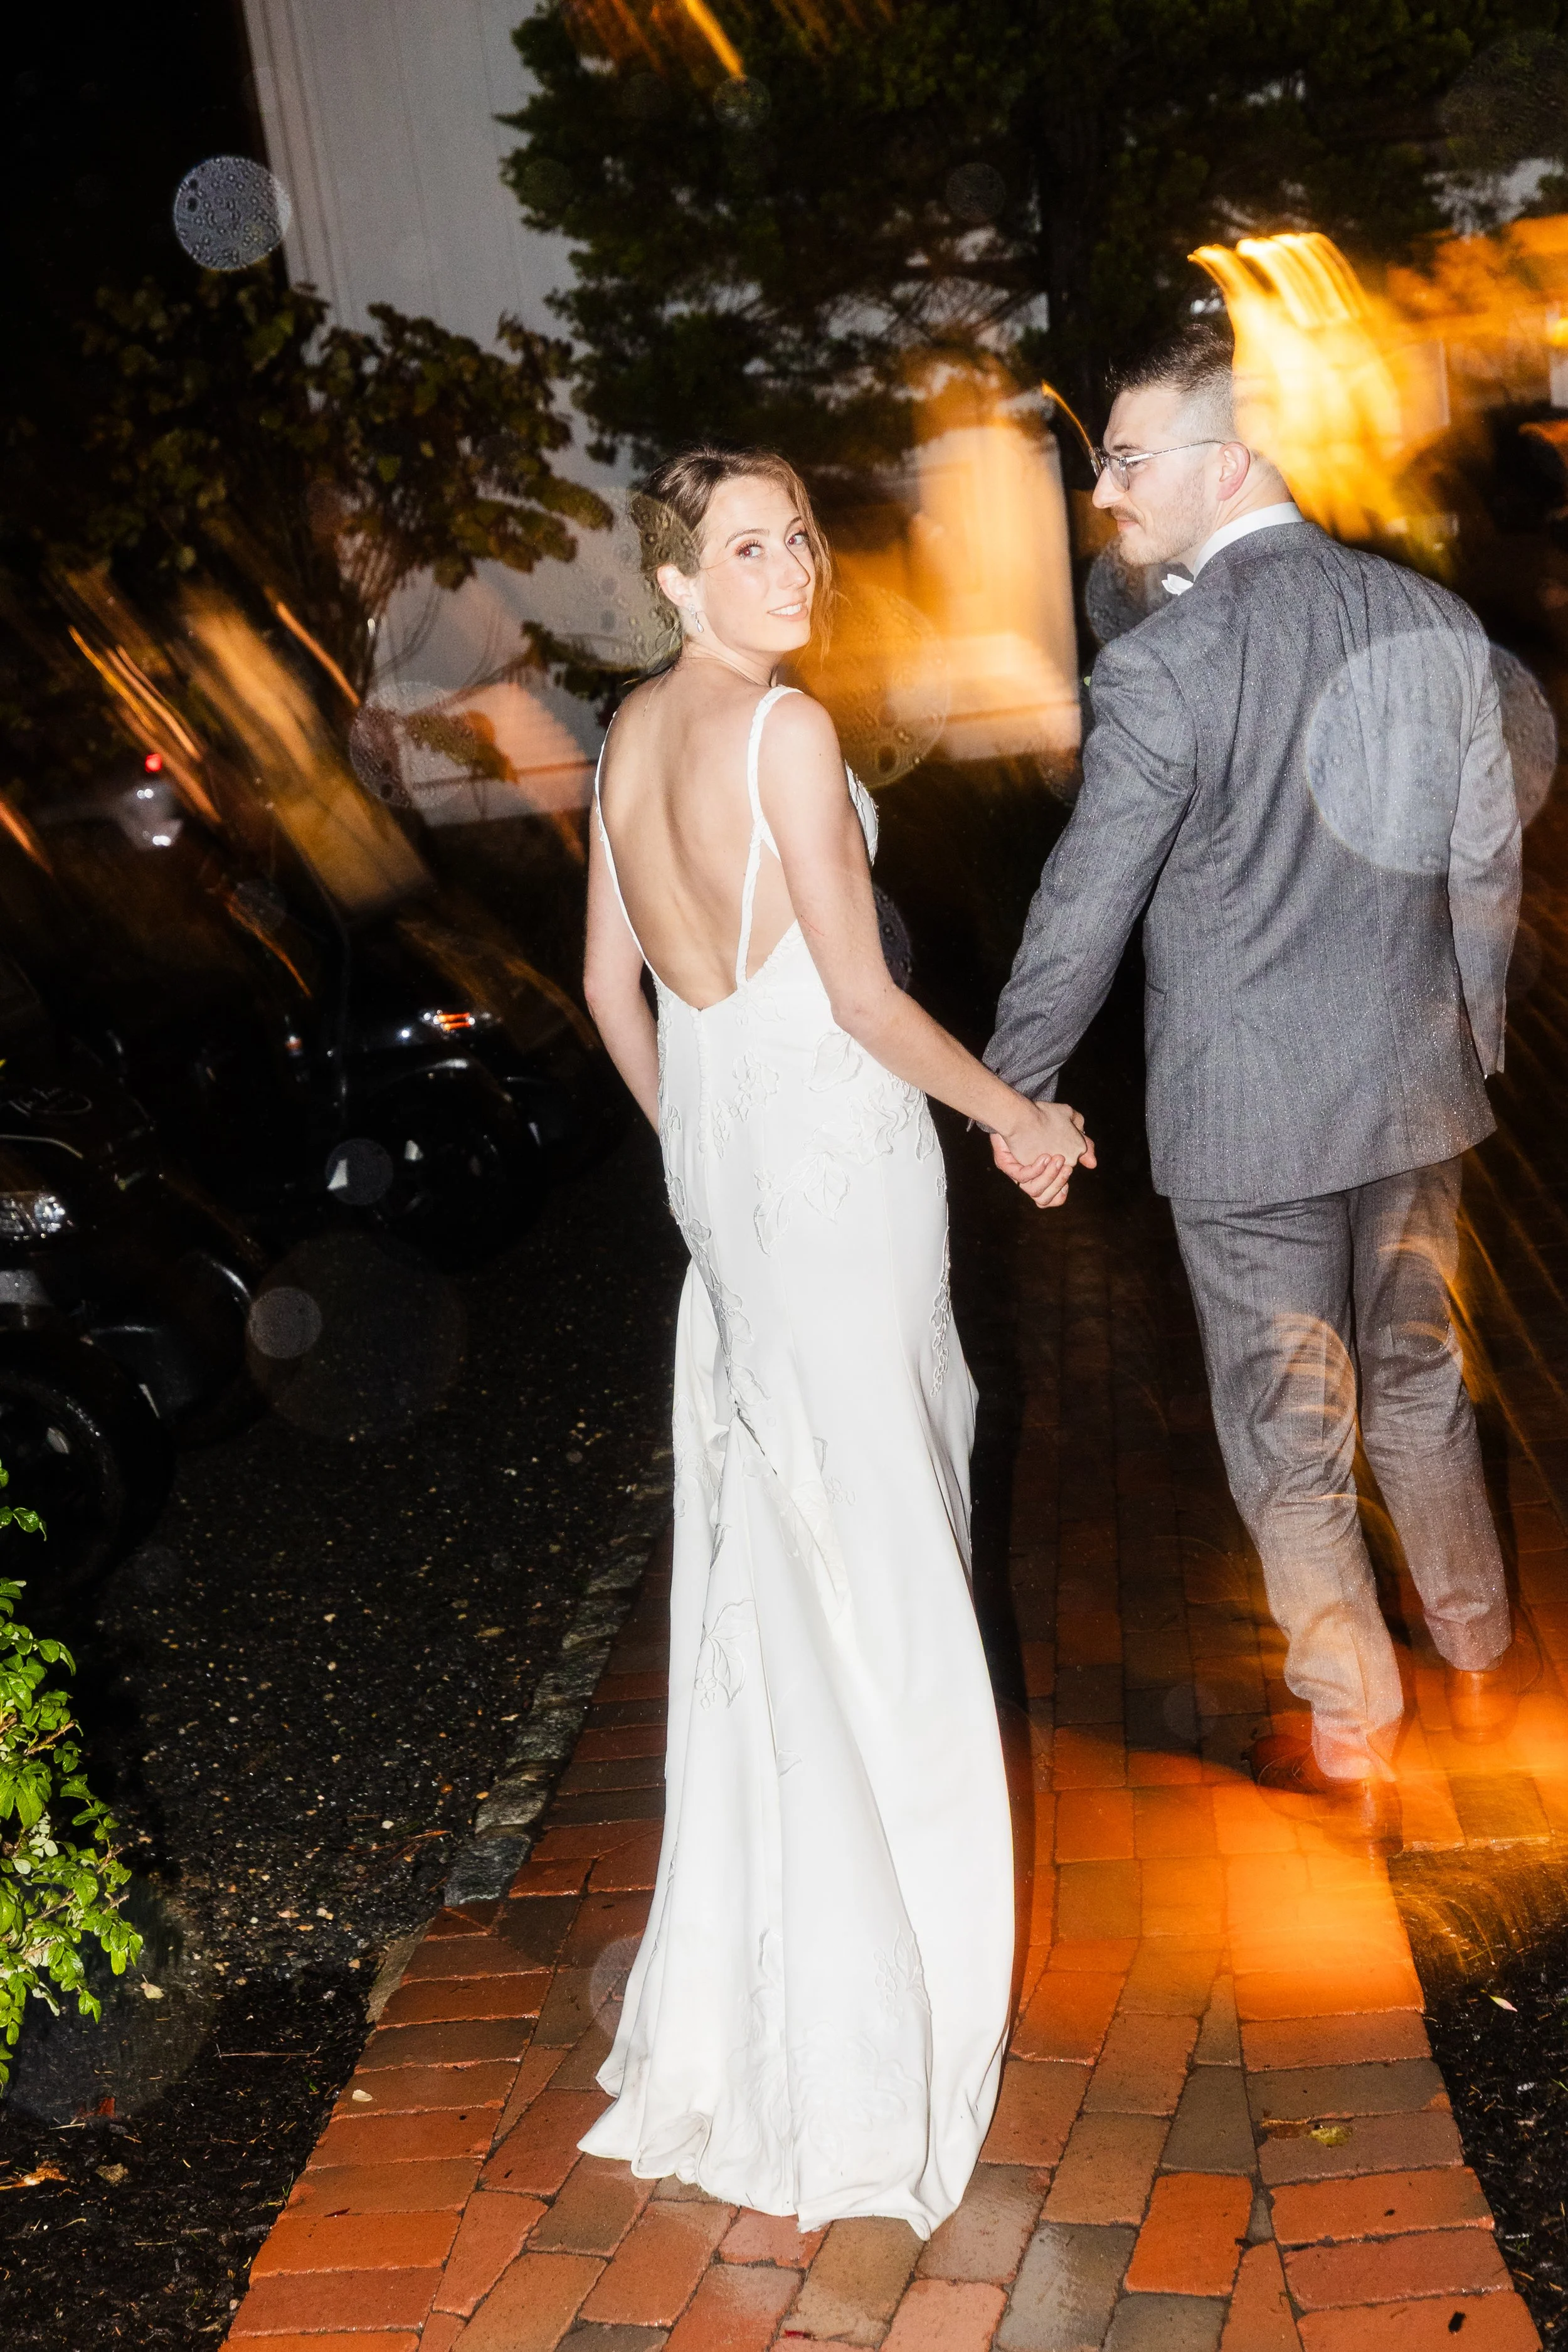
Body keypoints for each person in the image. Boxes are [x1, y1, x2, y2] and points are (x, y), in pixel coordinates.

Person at [578, 445, 1091, 2231]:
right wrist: (1017, 1117)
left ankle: (776, 1986)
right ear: (675, 579)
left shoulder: (624, 737)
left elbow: (608, 988)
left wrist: (695, 1148)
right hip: (838, 1180)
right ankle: (886, 2010)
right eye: (747, 547)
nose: (792, 566)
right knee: (877, 1557)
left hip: (735, 1195)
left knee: (779, 1554)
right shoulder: (782, 731)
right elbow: (862, 996)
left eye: (796, 536)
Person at [986, 322, 1523, 1858]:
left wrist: (1011, 1085)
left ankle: (1356, 1737)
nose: (1105, 494)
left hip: (1249, 1122)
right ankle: (1478, 1660)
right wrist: (1470, 1031)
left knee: (1292, 1434)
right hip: (1414, 1090)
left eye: (1126, 462)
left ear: (1227, 461)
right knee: (1413, 1385)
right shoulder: (1427, 620)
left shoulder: (1166, 664)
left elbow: (1081, 905)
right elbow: (1482, 857)